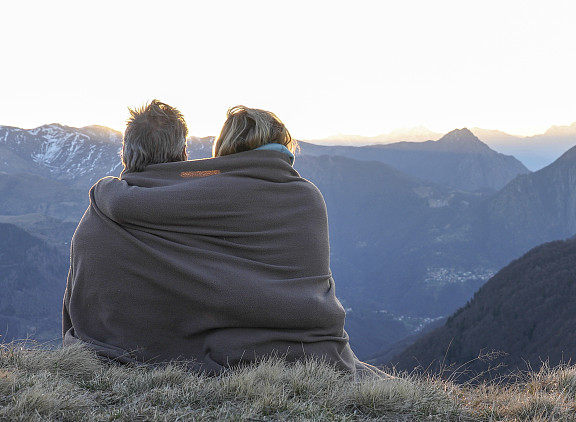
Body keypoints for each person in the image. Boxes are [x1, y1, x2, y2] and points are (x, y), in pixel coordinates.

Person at [63, 102, 386, 379]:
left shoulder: (102, 214)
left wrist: (106, 186)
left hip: (123, 349)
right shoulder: (306, 197)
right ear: (184, 151)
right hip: (313, 345)